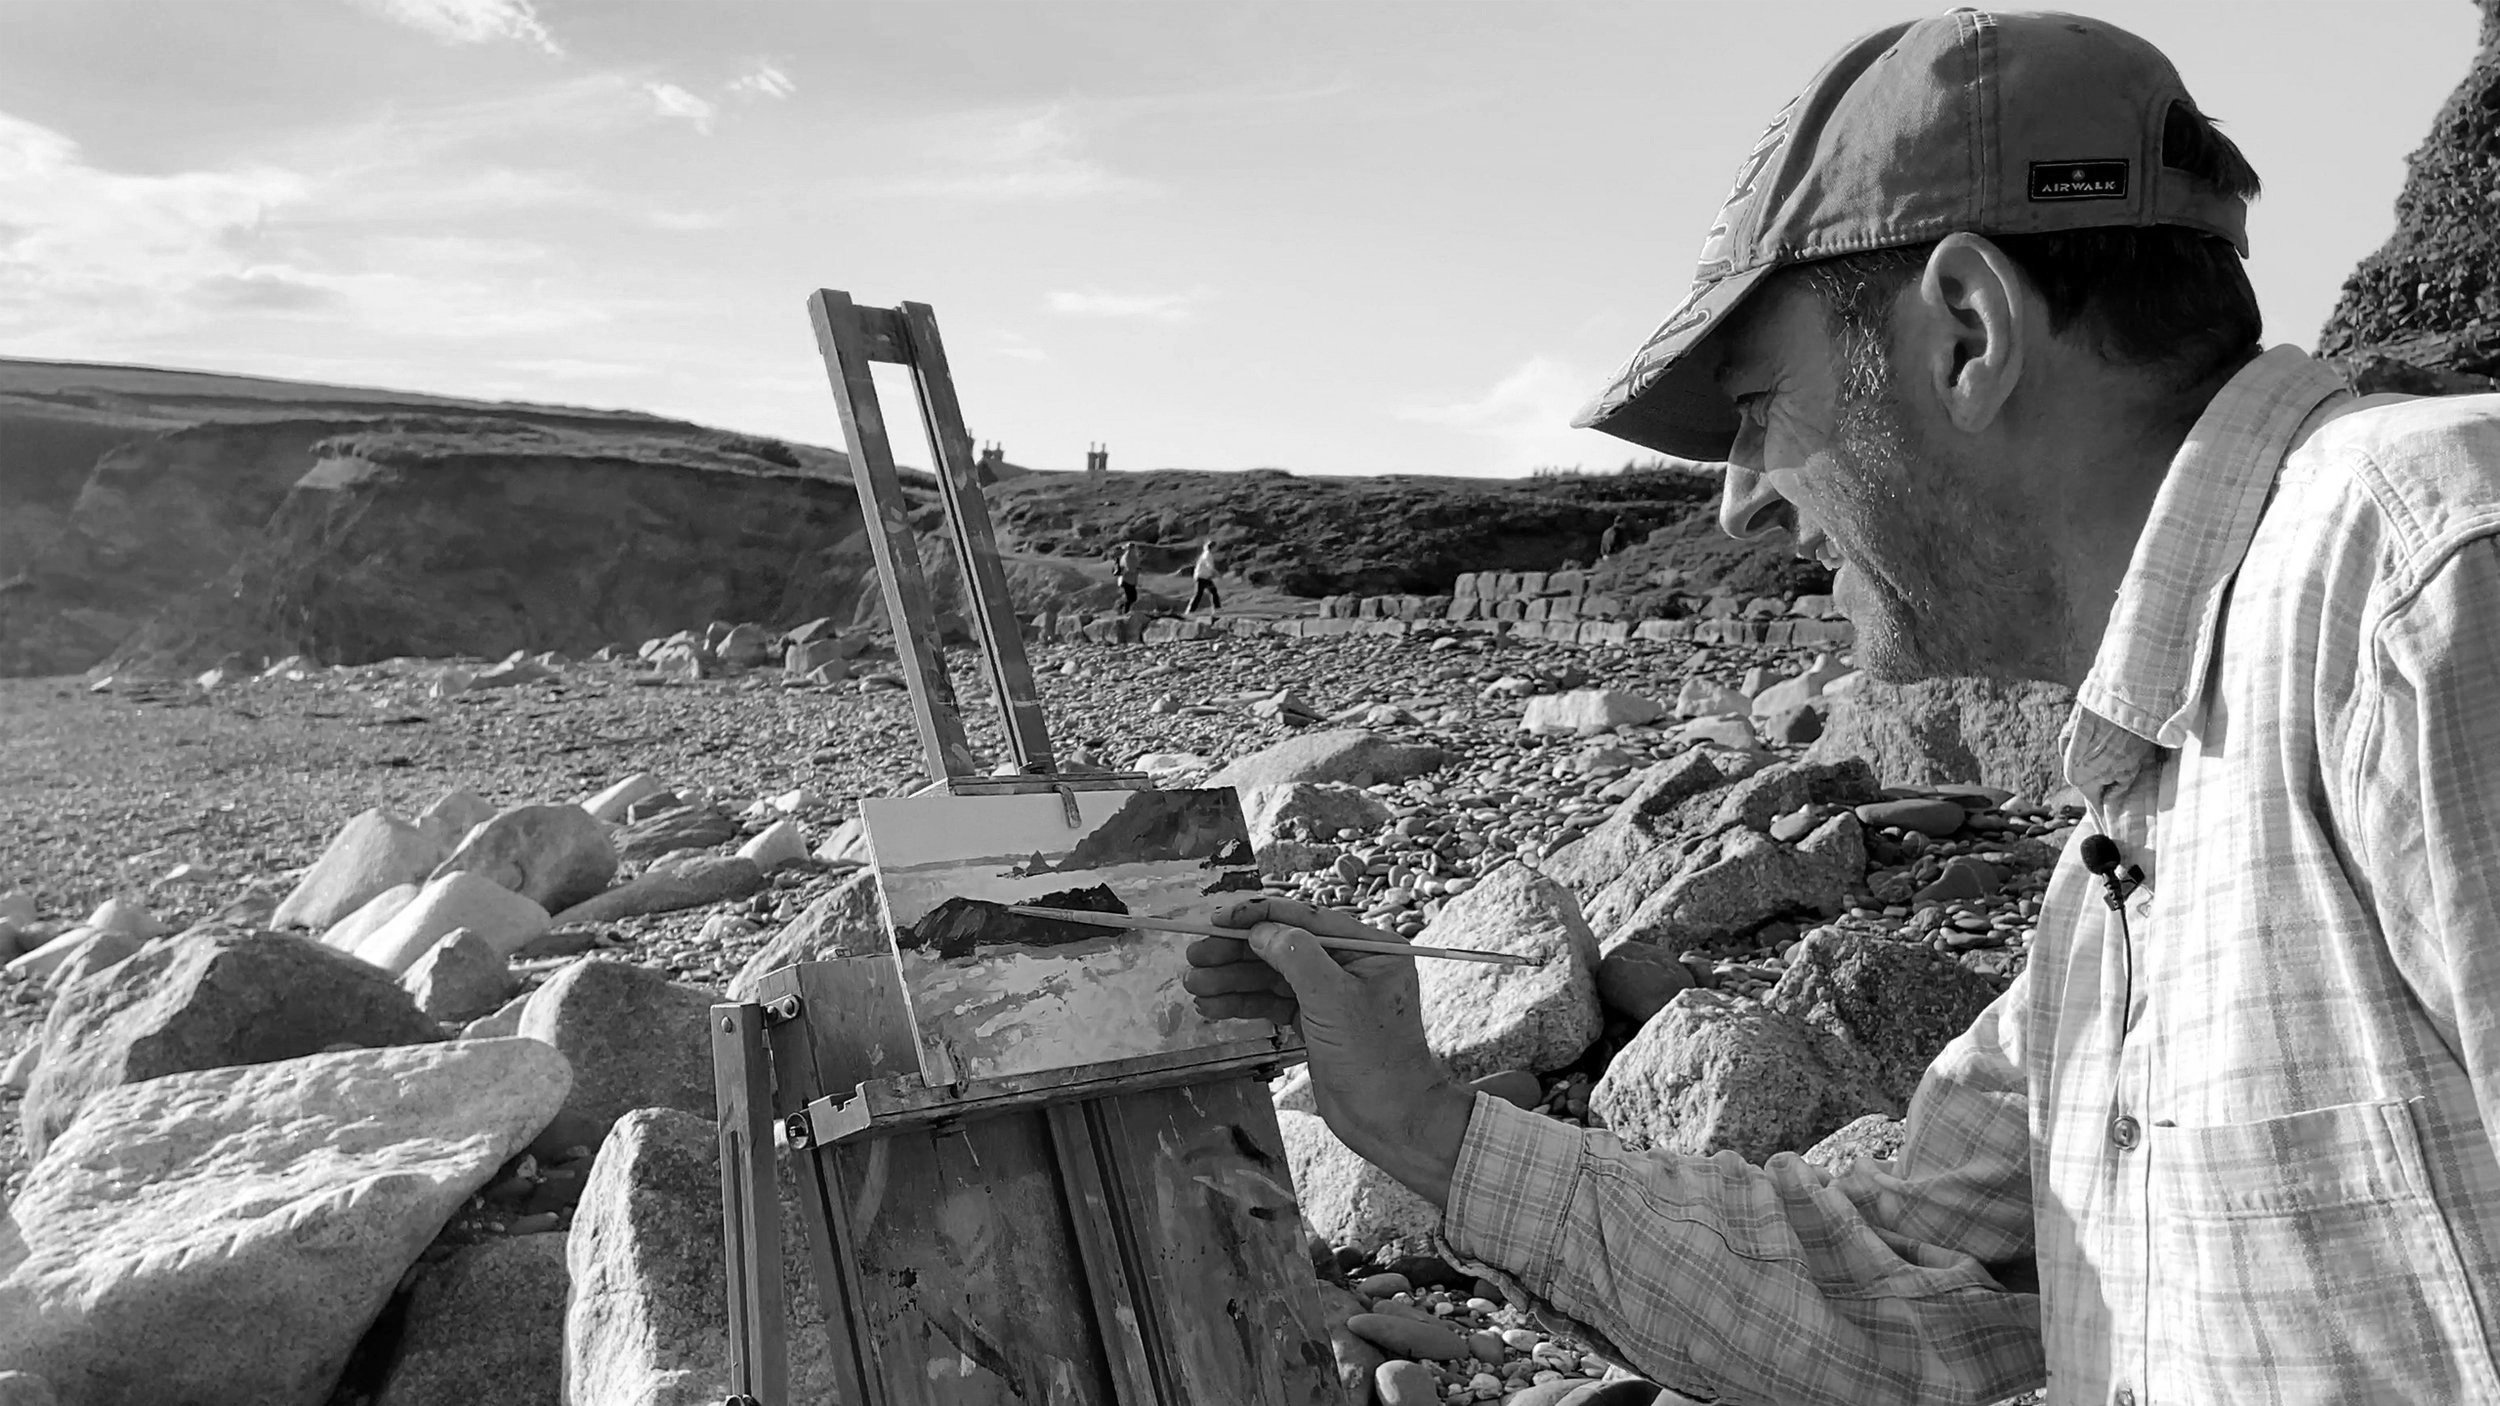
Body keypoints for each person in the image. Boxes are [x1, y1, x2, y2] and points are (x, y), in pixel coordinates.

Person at [1184, 11, 2500, 1405]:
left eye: (1758, 406)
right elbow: (1909, 1286)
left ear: (1969, 332)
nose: (1743, 493)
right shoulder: (2136, 824)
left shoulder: (2419, 581)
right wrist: (1420, 1121)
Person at [1188, 539, 1221, 613]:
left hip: (1205, 577)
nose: (1216, 548)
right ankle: (1191, 611)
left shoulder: (1206, 554)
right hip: (1202, 577)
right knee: (1199, 594)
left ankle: (1217, 608)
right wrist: (1216, 573)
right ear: (1212, 547)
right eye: (1215, 547)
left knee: (1212, 591)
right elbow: (1209, 566)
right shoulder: (1207, 554)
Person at [1111, 540, 1139, 611]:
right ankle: (1124, 610)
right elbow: (1129, 568)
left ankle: (1122, 608)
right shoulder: (1126, 557)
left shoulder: (1134, 558)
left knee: (1133, 598)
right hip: (1126, 579)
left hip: (1132, 580)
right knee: (1130, 598)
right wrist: (1135, 570)